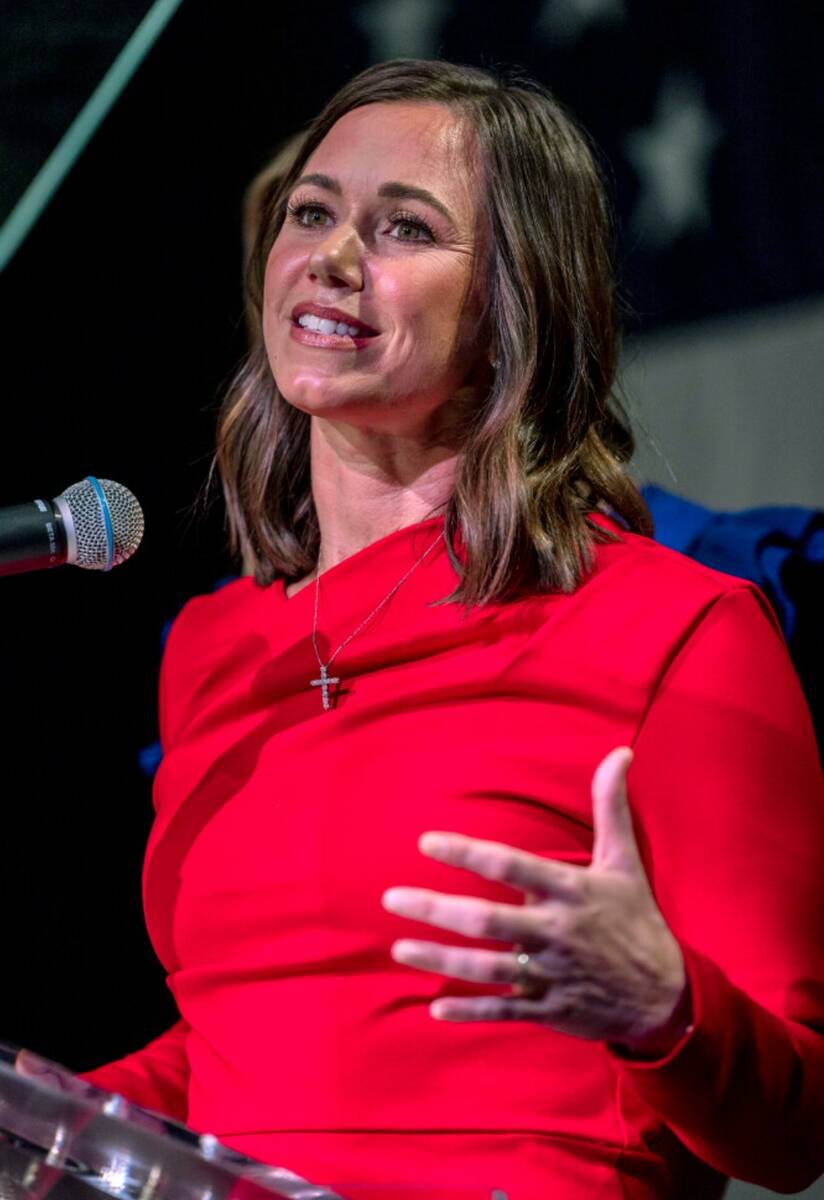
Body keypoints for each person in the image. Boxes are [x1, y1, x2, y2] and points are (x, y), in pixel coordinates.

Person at [81, 59, 824, 1199]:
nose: (330, 257)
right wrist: (57, 1118)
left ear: (511, 304)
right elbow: (254, 1050)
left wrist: (663, 1007)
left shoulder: (679, 629)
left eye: (402, 227)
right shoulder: (212, 651)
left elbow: (795, 1130)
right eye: (311, 213)